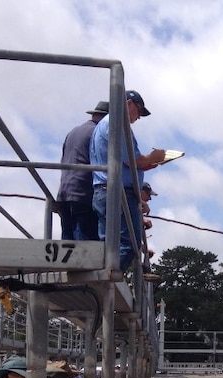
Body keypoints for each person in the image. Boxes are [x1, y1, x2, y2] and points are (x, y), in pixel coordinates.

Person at [90, 90, 166, 272]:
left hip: (104, 190)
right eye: (139, 111)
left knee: (107, 245)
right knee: (128, 245)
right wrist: (153, 157)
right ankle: (102, 283)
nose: (139, 117)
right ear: (129, 103)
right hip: (117, 194)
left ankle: (98, 284)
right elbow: (131, 160)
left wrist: (148, 162)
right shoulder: (117, 124)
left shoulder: (105, 124)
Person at [56, 101, 108, 241]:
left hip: (65, 193)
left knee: (66, 244)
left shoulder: (73, 131)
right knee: (84, 246)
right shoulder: (99, 132)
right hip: (84, 192)